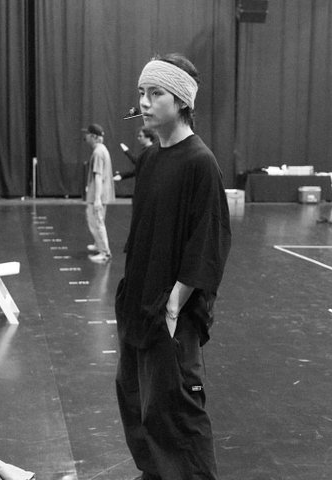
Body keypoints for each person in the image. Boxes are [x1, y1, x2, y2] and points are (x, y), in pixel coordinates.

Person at [115, 53, 231, 480]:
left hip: (171, 314)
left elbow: (209, 242)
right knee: (137, 404)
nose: (144, 102)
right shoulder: (150, 160)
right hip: (138, 306)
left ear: (181, 101)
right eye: (141, 92)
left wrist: (173, 305)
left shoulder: (200, 163)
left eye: (155, 93)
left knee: (176, 413)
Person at [82, 123, 115, 263]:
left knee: (96, 222)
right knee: (97, 221)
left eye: (87, 134)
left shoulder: (98, 153)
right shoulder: (102, 150)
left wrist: (96, 199)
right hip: (101, 194)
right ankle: (98, 245)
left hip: (98, 195)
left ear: (94, 136)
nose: (86, 137)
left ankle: (105, 253)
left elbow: (98, 176)